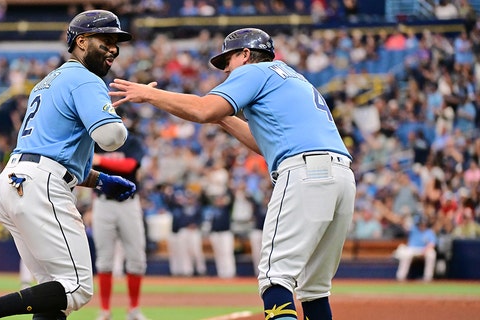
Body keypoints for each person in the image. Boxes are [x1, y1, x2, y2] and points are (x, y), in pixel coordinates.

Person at [109, 28, 356, 320]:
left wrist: (150, 94)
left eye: (228, 60)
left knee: (274, 277)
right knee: (314, 288)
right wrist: (224, 119)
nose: (226, 69)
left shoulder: (253, 72)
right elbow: (263, 143)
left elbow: (203, 110)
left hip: (304, 173)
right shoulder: (291, 77)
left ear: (246, 54)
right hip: (340, 176)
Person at [0, 9, 136, 320]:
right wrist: (112, 114)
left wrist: (100, 180)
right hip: (41, 185)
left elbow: (50, 151)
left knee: (53, 293)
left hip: (15, 181)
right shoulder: (85, 79)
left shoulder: (47, 83)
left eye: (116, 42)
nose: (114, 48)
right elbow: (111, 137)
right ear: (81, 41)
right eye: (106, 40)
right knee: (76, 288)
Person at [91, 108, 148, 320]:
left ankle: (134, 309)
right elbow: (88, 163)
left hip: (128, 203)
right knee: (104, 260)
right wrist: (96, 160)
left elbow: (130, 164)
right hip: (103, 203)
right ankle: (105, 311)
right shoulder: (98, 141)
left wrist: (101, 161)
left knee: (136, 258)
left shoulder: (132, 142)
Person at [394, 216, 437, 282]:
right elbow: (402, 224)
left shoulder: (429, 232)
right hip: (412, 249)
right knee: (406, 254)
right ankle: (400, 277)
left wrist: (425, 250)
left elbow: (432, 244)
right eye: (421, 224)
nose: (422, 225)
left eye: (424, 224)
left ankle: (428, 278)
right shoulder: (413, 229)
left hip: (424, 250)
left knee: (432, 254)